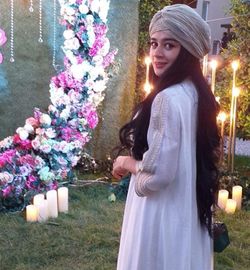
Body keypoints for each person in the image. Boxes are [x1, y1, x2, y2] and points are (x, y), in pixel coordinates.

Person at [112, 4, 220, 270]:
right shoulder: (195, 93)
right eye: (154, 43)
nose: (157, 53)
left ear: (187, 50)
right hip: (186, 211)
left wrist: (126, 163)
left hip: (159, 215)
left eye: (169, 45)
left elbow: (158, 175)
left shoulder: (167, 99)